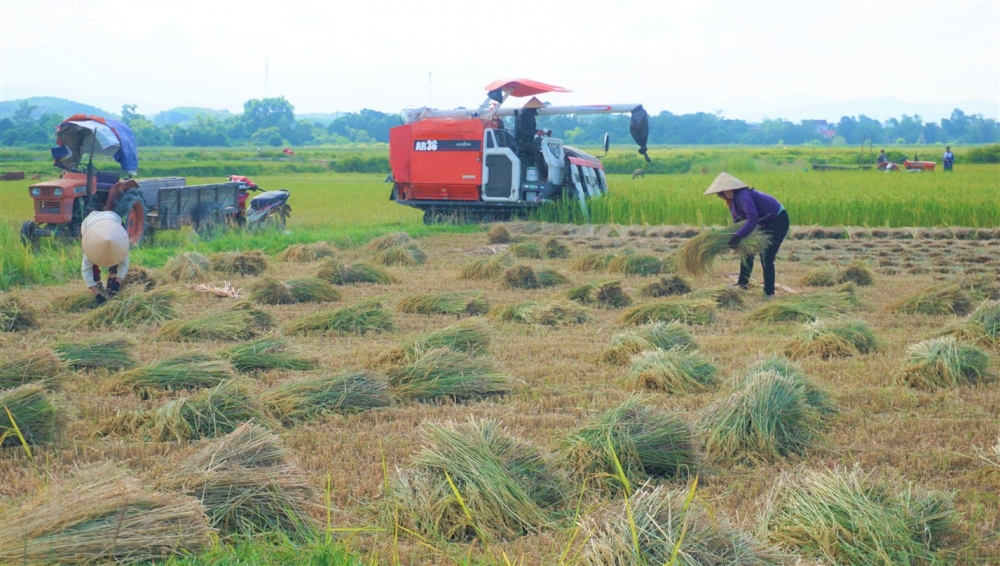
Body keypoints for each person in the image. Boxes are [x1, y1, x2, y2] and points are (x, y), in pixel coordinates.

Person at [704, 172, 789, 297]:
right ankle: (743, 284)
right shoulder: (732, 202)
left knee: (766, 256)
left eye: (721, 192)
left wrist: (738, 236)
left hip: (777, 221)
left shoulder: (744, 196)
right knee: (746, 253)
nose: (719, 195)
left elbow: (752, 219)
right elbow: (738, 223)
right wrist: (735, 237)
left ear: (729, 190)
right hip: (762, 223)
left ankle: (769, 292)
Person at [81, 210, 130, 305]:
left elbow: (124, 263)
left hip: (113, 220)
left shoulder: (120, 244)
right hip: (89, 224)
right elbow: (86, 270)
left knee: (117, 261)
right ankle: (98, 284)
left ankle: (112, 288)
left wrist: (118, 281)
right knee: (92, 265)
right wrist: (96, 294)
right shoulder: (90, 246)